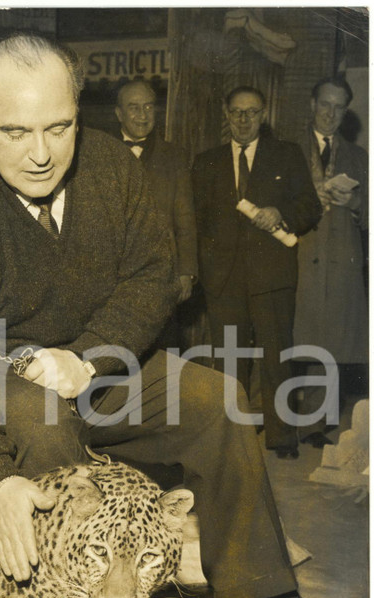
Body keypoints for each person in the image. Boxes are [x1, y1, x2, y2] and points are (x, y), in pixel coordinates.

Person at [0, 33, 353, 598]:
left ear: (78, 113)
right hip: (5, 372)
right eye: (15, 132)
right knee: (43, 431)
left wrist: (87, 360)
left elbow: (152, 277)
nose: (41, 153)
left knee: (222, 402)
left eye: (59, 128)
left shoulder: (112, 165)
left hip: (101, 359)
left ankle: (259, 592)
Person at [192, 87, 322, 460]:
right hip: (224, 280)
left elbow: (310, 207)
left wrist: (281, 215)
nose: (244, 120)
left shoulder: (287, 154)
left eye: (251, 112)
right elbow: (197, 221)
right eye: (236, 113)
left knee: (276, 358)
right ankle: (231, 437)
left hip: (273, 278)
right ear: (226, 114)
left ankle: (281, 437)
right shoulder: (207, 162)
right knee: (228, 361)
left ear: (263, 114)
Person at [293, 77, 369, 448]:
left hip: (340, 261)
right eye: (325, 104)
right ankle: (274, 419)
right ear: (312, 104)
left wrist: (355, 204)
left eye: (339, 107)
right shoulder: (289, 149)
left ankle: (314, 424)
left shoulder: (360, 157)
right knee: (291, 341)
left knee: (330, 346)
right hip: (298, 254)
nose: (331, 113)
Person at [114, 79, 198, 350]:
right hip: (114, 273)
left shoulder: (174, 156)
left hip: (162, 272)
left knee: (164, 349)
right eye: (134, 108)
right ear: (119, 114)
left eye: (148, 107)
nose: (142, 115)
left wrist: (186, 271)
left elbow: (185, 218)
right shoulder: (101, 153)